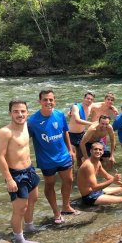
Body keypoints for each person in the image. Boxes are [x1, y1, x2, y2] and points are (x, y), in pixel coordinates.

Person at [27, 89, 78, 225]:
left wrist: (70, 150)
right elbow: (24, 140)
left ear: (54, 101)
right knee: (50, 184)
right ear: (40, 101)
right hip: (46, 159)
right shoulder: (32, 121)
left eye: (51, 99)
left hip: (63, 155)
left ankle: (66, 206)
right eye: (45, 99)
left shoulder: (60, 115)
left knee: (68, 180)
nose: (48, 102)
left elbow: (65, 132)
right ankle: (56, 212)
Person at [0, 100, 39, 243]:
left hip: (30, 169)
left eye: (22, 111)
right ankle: (19, 239)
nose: (20, 114)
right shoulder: (5, 132)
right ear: (10, 113)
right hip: (16, 174)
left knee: (33, 199)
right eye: (16, 111)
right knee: (20, 209)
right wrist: (9, 179)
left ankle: (29, 226)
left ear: (27, 112)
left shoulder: (27, 125)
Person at [68, 92, 95, 167]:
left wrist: (113, 108)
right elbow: (77, 120)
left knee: (80, 157)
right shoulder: (76, 107)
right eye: (88, 98)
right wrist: (92, 123)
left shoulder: (90, 106)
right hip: (71, 134)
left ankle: (79, 173)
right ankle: (71, 174)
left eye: (91, 99)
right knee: (72, 157)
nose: (89, 100)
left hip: (81, 134)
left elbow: (103, 103)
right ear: (84, 98)